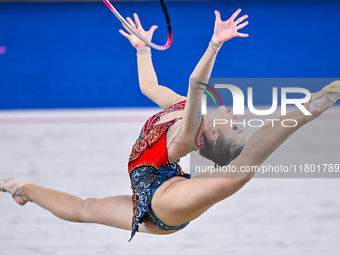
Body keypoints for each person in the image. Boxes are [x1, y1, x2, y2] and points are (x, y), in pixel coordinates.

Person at [1, 9, 340, 241]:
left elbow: (196, 83)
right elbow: (149, 87)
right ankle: (20, 187)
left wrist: (215, 43)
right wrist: (141, 50)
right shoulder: (180, 109)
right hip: (155, 189)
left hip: (167, 201)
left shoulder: (189, 130)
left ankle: (324, 98)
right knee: (85, 207)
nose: (237, 119)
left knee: (243, 166)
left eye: (233, 128)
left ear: (208, 136)